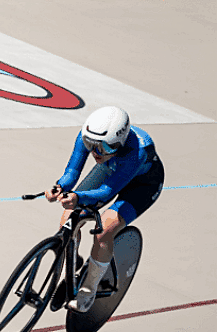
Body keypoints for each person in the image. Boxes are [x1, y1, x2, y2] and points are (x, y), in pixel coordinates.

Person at [45, 106, 164, 313]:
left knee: (104, 230)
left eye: (104, 148)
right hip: (111, 168)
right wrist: (60, 187)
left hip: (143, 185)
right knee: (68, 217)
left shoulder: (138, 151)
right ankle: (72, 263)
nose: (95, 152)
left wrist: (78, 197)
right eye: (91, 145)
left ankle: (89, 290)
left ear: (120, 142)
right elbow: (72, 171)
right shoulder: (92, 137)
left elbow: (107, 192)